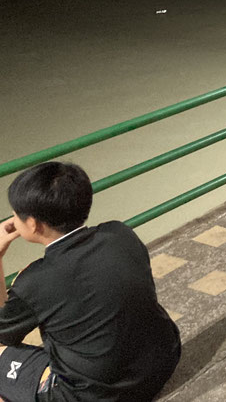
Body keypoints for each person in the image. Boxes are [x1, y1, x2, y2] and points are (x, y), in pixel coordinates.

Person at [0, 162, 181, 402]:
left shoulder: (34, 281)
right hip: (161, 363)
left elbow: (4, 334)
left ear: (33, 224)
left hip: (100, 396)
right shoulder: (120, 234)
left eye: (16, 213)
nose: (13, 218)